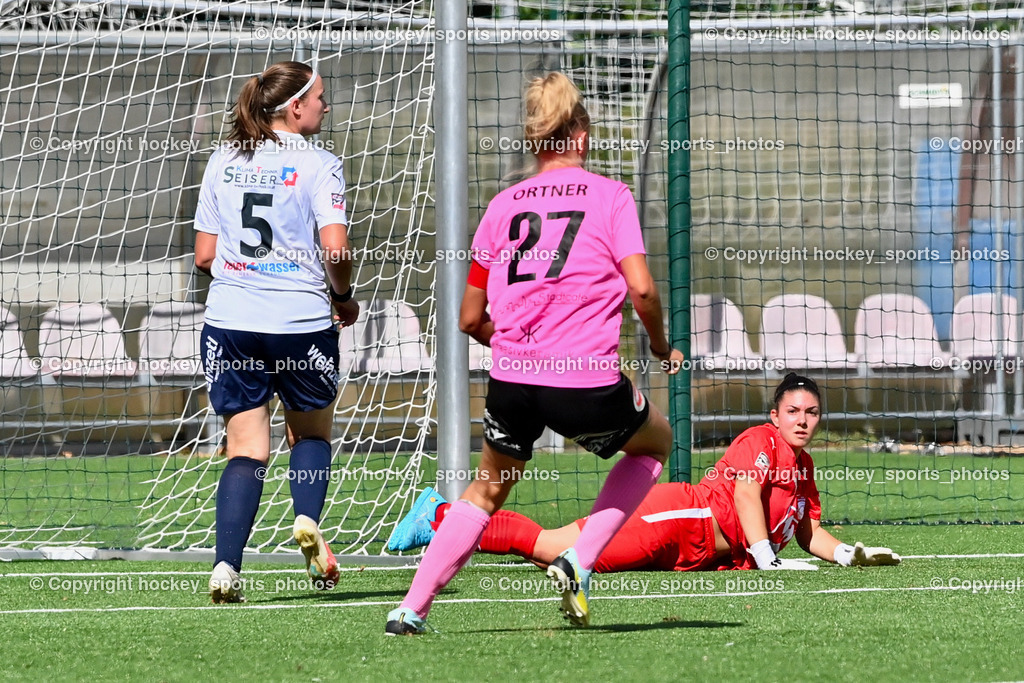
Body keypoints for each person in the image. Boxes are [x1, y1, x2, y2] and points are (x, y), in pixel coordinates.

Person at [385, 72, 685, 635]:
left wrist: (514, 344)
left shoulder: (501, 207)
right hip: (584, 379)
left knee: (485, 490)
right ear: (580, 131)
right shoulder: (611, 196)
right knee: (656, 443)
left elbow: (469, 318)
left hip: (513, 380)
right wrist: (663, 346)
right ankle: (579, 558)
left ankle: (410, 609)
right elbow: (642, 289)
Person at [389, 374, 901, 574]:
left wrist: (846, 553)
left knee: (558, 547)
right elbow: (746, 495)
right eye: (794, 411)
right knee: (555, 548)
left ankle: (441, 517)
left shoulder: (804, 466)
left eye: (811, 413)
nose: (803, 421)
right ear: (775, 415)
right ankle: (438, 516)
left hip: (696, 552)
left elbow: (806, 528)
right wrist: (768, 559)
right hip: (682, 517)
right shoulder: (760, 440)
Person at [193, 61, 359, 603]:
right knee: (309, 436)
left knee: (245, 448)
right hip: (299, 322)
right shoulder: (320, 164)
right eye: (321, 99)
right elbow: (335, 248)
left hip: (231, 322)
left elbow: (204, 255)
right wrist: (342, 297)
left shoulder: (223, 159)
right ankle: (307, 521)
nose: (326, 107)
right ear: (296, 107)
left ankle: (225, 567)